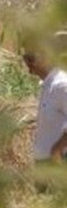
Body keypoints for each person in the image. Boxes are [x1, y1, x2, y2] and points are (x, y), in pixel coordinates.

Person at [20, 33, 67, 163]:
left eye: (31, 58)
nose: (27, 63)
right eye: (25, 57)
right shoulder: (48, 86)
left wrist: (58, 149)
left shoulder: (61, 85)